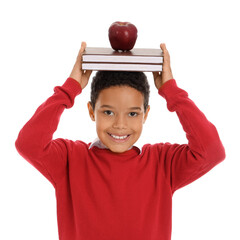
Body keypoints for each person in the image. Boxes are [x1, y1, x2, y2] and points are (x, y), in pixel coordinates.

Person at [15, 42, 225, 240]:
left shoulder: (162, 163)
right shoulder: (69, 159)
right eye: (108, 112)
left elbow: (212, 151)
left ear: (145, 114)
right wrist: (70, 88)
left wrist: (171, 91)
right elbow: (28, 143)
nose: (120, 125)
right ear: (91, 111)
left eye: (133, 114)